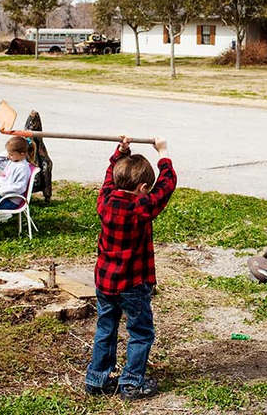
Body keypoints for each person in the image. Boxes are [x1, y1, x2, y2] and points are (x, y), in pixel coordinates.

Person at [85, 135, 175, 401]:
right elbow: (167, 185)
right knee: (140, 332)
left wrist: (120, 153)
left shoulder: (106, 200)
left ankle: (96, 379)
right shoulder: (141, 207)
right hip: (133, 285)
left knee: (105, 328)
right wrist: (163, 153)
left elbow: (108, 179)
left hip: (105, 283)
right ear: (144, 188)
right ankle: (131, 381)